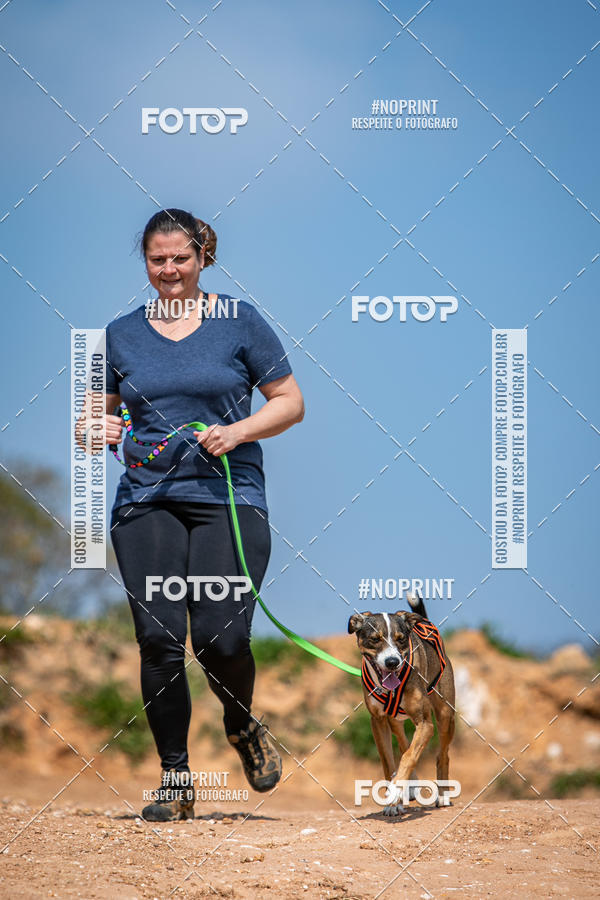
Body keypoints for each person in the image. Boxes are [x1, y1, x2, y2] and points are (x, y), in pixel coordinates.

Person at [75, 208, 304, 821]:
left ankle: (242, 726)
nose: (169, 270)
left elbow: (289, 403)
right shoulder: (119, 334)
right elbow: (104, 416)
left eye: (180, 258)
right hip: (146, 499)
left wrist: (238, 431)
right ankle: (175, 781)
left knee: (222, 638)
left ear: (202, 257)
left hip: (228, 496)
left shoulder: (241, 322)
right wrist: (95, 429)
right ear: (145, 263)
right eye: (157, 260)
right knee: (158, 639)